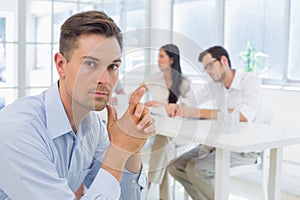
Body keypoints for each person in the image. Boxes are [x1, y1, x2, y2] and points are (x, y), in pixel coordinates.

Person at [0, 11, 156, 200]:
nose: (104, 80)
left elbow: (124, 196)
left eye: (113, 66)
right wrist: (116, 151)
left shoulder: (93, 127)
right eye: (90, 63)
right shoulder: (17, 130)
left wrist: (131, 147)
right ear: (60, 64)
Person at [167, 46, 262, 200]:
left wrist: (197, 112)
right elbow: (192, 100)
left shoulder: (249, 80)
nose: (208, 71)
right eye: (205, 68)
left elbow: (243, 115)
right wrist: (178, 107)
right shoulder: (214, 85)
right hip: (215, 144)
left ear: (223, 61)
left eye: (209, 66)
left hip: (243, 150)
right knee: (175, 166)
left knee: (196, 169)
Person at [144, 44, 193, 200]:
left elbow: (189, 108)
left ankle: (148, 183)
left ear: (171, 60)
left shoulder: (184, 82)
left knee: (162, 141)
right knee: (164, 147)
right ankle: (164, 197)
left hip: (181, 132)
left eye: (161, 56)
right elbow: (137, 92)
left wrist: (163, 106)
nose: (158, 60)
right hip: (163, 131)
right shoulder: (155, 79)